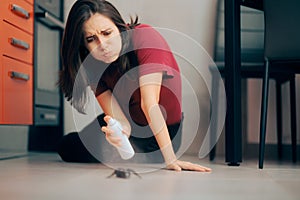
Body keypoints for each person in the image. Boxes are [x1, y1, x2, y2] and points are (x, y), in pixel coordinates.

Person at [57, 0, 211, 172]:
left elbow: (149, 104)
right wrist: (119, 134)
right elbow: (122, 122)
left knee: (126, 154)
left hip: (164, 133)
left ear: (120, 27)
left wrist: (170, 160)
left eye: (107, 33)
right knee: (67, 146)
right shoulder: (92, 63)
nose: (103, 45)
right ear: (83, 45)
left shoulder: (144, 37)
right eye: (91, 39)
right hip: (130, 123)